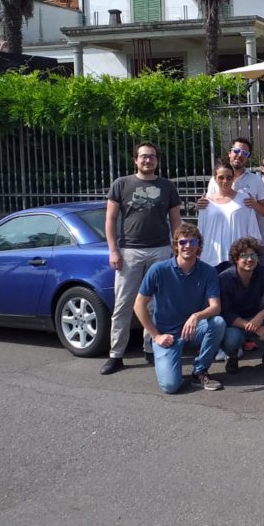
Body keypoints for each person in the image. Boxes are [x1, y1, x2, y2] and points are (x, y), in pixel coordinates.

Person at [102, 142, 182, 375]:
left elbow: (175, 220)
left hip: (160, 250)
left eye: (152, 157)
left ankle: (151, 348)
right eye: (144, 157)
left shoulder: (167, 186)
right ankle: (116, 354)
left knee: (155, 303)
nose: (148, 160)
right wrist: (113, 250)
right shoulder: (121, 184)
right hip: (129, 252)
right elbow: (110, 220)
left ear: (157, 160)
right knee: (123, 304)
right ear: (135, 159)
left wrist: (175, 247)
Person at [133, 223, 227, 393]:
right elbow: (139, 304)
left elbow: (216, 307)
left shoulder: (208, 271)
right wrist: (156, 336)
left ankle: (199, 371)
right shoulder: (158, 270)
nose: (188, 246)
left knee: (218, 323)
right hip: (167, 335)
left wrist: (196, 316)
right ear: (175, 246)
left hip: (193, 329)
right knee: (170, 386)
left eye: (193, 242)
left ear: (199, 246)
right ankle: (171, 366)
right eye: (183, 242)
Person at [218, 237, 264, 373]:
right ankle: (232, 356)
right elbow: (225, 312)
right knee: (231, 339)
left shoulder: (262, 272)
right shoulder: (225, 279)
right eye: (244, 256)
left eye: (253, 255)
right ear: (236, 259)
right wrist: (255, 328)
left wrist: (261, 315)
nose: (249, 259)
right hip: (235, 323)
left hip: (256, 317)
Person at [197, 158, 261, 270]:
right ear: (215, 179)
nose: (225, 181)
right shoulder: (206, 203)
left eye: (229, 177)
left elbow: (253, 231)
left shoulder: (245, 200)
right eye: (221, 177)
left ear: (233, 178)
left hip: (238, 259)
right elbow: (200, 232)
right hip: (212, 258)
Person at [202, 137, 264, 220]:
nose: (240, 155)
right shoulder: (214, 180)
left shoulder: (256, 180)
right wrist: (201, 204)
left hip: (245, 231)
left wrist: (255, 205)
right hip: (221, 230)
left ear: (248, 157)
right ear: (229, 153)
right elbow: (208, 207)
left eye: (245, 153)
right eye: (236, 151)